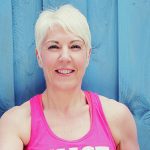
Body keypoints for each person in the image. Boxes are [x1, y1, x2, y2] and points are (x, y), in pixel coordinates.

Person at [0, 4, 139, 150]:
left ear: (87, 56)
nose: (65, 57)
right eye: (54, 46)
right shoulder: (15, 123)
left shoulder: (118, 117)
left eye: (75, 46)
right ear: (39, 56)